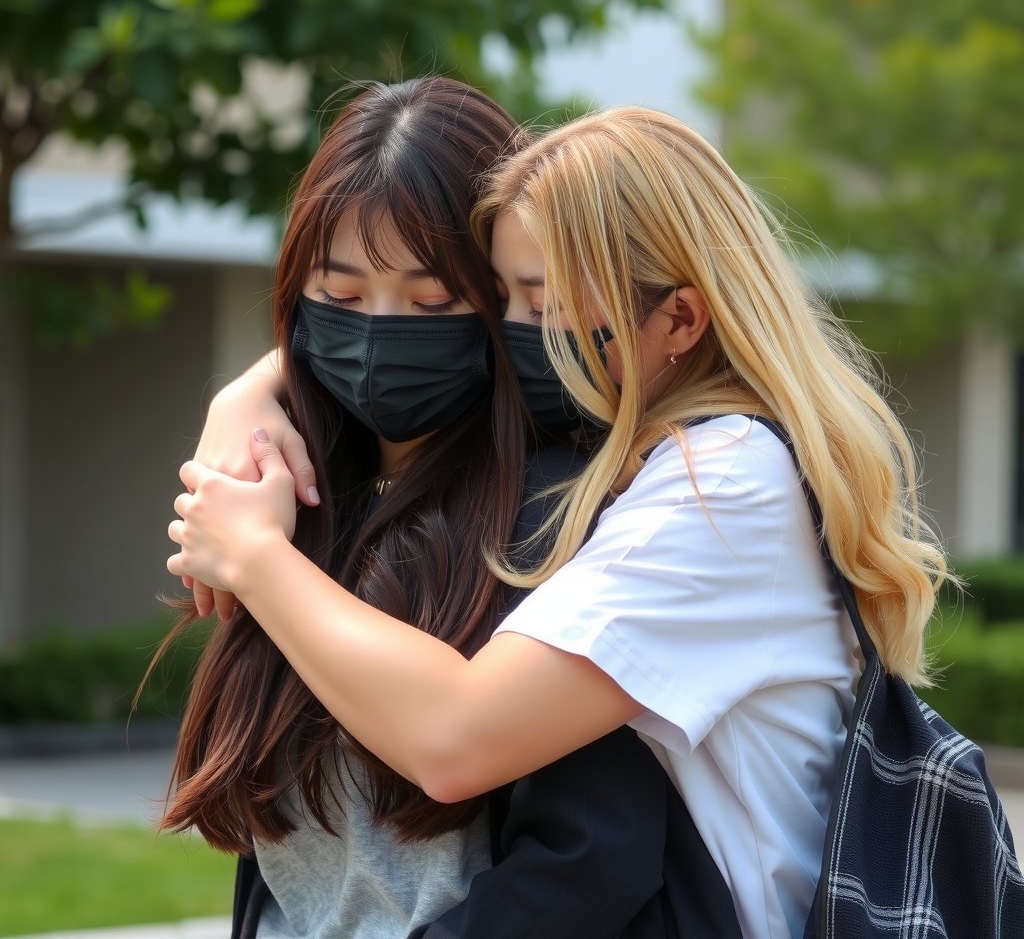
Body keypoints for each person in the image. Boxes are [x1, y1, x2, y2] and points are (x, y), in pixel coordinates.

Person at [170, 107, 947, 939]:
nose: (510, 339)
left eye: (539, 305)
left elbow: (461, 740)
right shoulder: (622, 459)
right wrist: (255, 392)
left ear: (680, 319)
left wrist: (253, 552)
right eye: (502, 299)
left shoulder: (718, 482)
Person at [158, 80, 683, 939]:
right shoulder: (291, 500)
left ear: (508, 297)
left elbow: (593, 857)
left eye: (435, 303)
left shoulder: (563, 512)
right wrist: (252, 391)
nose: (381, 336)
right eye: (344, 294)